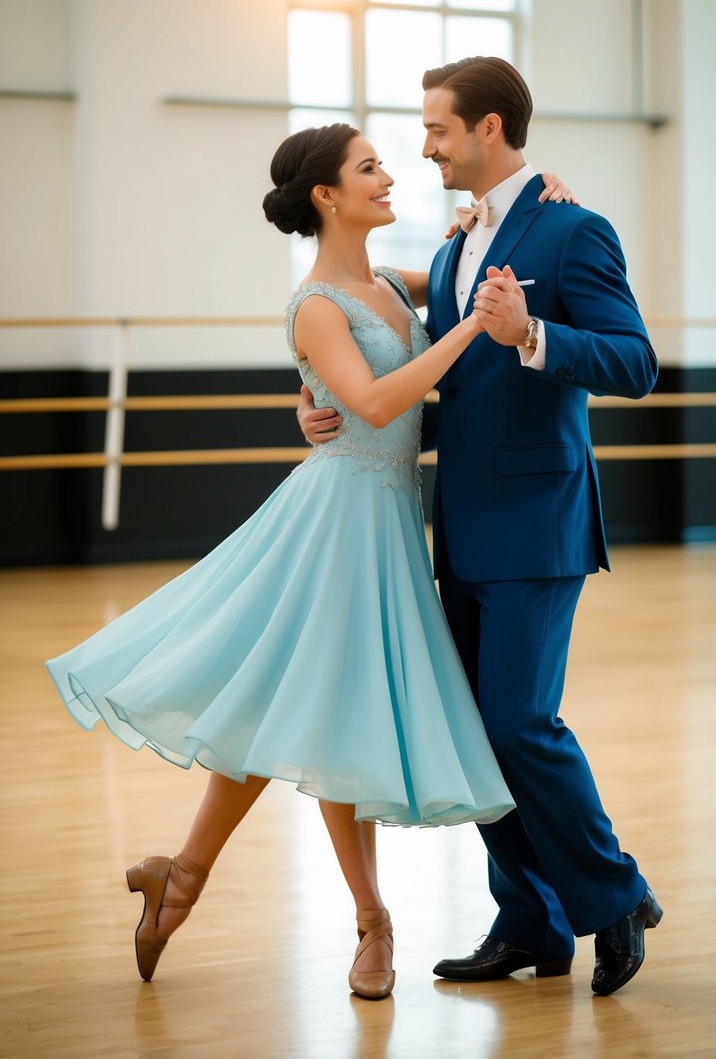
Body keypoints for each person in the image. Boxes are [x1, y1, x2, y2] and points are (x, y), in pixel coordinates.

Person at [46, 122, 522, 1002]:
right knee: (319, 713)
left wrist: (541, 188)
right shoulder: (314, 303)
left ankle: (182, 878)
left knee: (299, 713)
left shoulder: (386, 283)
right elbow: (377, 402)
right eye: (369, 167)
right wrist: (473, 337)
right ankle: (368, 924)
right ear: (326, 196)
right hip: (338, 519)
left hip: (384, 522)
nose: (388, 177)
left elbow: (475, 245)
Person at [298, 56, 662, 997]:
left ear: (489, 129)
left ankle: (614, 896)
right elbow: (398, 358)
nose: (425, 148)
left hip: (539, 520)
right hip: (454, 523)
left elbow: (634, 362)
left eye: (438, 130)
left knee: (517, 721)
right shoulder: (459, 246)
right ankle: (531, 921)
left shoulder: (575, 229)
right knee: (471, 731)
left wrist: (532, 338)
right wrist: (319, 408)